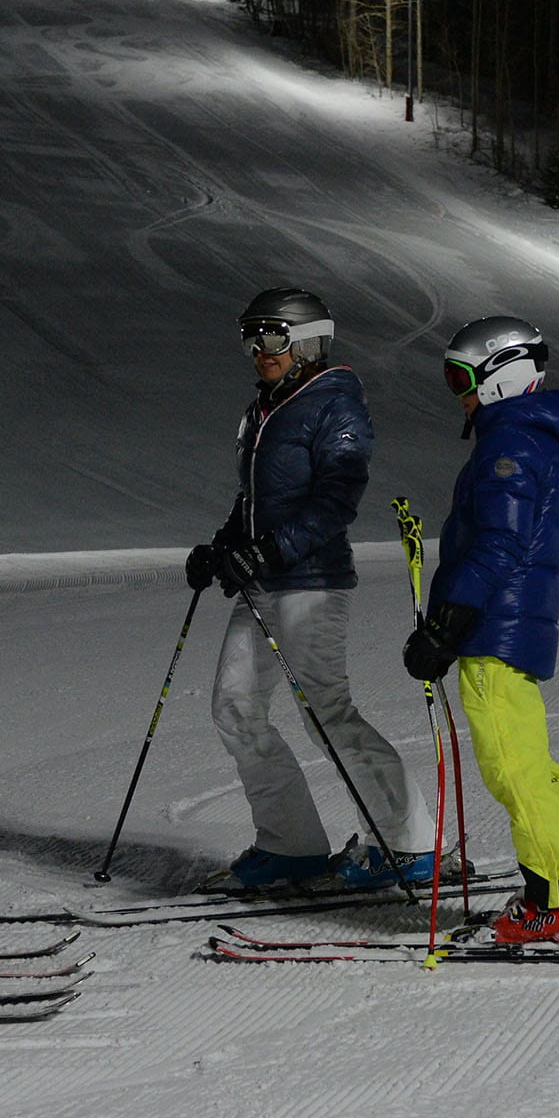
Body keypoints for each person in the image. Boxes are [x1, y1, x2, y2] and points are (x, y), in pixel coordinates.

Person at [187, 288, 437, 891]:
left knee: (327, 713)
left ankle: (409, 845)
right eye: (250, 337)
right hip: (264, 580)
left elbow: (336, 499)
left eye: (271, 337)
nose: (257, 350)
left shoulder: (334, 404)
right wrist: (224, 546)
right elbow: (258, 499)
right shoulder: (266, 408)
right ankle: (292, 845)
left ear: (305, 341)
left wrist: (270, 549)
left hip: (311, 582)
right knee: (235, 707)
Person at [401, 316, 559, 944]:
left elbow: (498, 545)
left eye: (462, 377)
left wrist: (448, 623)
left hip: (496, 628)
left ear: (502, 375)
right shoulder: (525, 436)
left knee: (511, 768)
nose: (458, 392)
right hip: (508, 624)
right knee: (531, 762)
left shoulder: (511, 444)